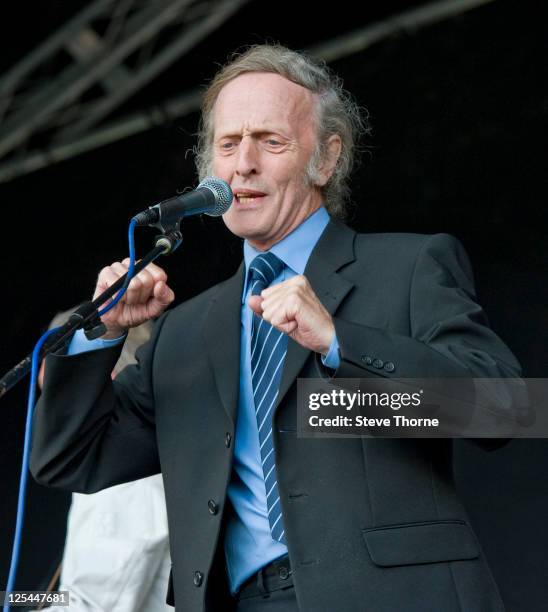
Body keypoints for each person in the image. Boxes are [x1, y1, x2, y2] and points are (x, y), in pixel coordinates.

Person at [30, 45, 522, 612]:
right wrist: (101, 335)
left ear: (327, 157)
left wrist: (340, 342)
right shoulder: (185, 333)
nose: (244, 164)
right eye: (228, 144)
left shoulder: (407, 268)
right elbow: (70, 459)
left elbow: (501, 409)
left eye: (270, 141)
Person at [35, 312, 171, 612]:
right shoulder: (145, 461)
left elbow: (91, 605)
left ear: (99, 379)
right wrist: (9, 597)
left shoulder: (122, 478)